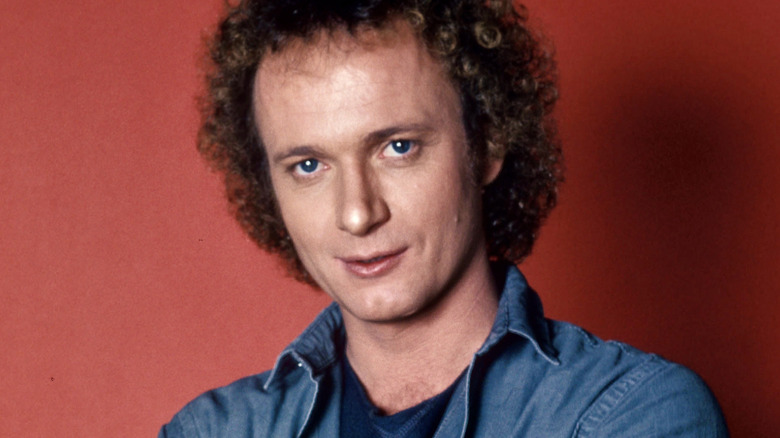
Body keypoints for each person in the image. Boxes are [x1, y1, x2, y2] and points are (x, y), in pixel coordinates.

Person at [160, 0, 728, 436]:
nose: (357, 213)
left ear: (486, 145)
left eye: (398, 147)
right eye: (309, 165)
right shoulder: (216, 429)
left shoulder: (626, 414)